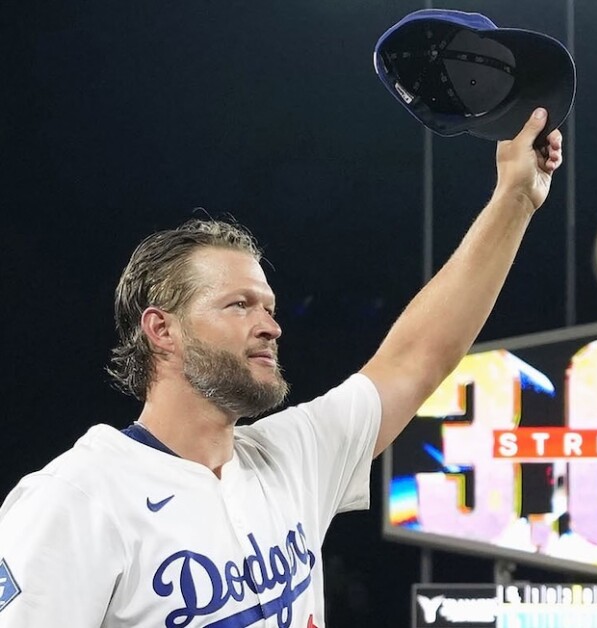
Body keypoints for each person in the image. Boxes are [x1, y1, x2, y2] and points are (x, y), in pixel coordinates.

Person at [0, 108, 563, 627]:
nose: (270, 325)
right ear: (162, 330)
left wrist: (515, 197)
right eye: (239, 305)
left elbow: (419, 358)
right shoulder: (76, 498)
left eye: (269, 307)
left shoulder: (291, 456)